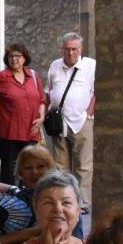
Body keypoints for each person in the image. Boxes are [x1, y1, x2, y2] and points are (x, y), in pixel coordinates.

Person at [0, 43, 46, 184]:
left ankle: (26, 200)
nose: (14, 59)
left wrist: (41, 118)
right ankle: (7, 203)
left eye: (18, 56)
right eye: (11, 56)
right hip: (9, 132)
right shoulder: (2, 77)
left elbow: (42, 100)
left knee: (29, 169)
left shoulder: (33, 76)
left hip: (31, 131)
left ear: (25, 58)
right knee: (9, 170)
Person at [44, 32, 96, 211]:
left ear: (80, 49)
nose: (70, 53)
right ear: (62, 49)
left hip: (82, 120)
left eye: (74, 49)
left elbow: (96, 91)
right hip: (60, 123)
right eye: (67, 49)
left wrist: (89, 113)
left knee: (84, 165)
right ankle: (64, 200)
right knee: (60, 166)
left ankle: (82, 204)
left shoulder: (90, 65)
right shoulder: (55, 66)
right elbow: (48, 90)